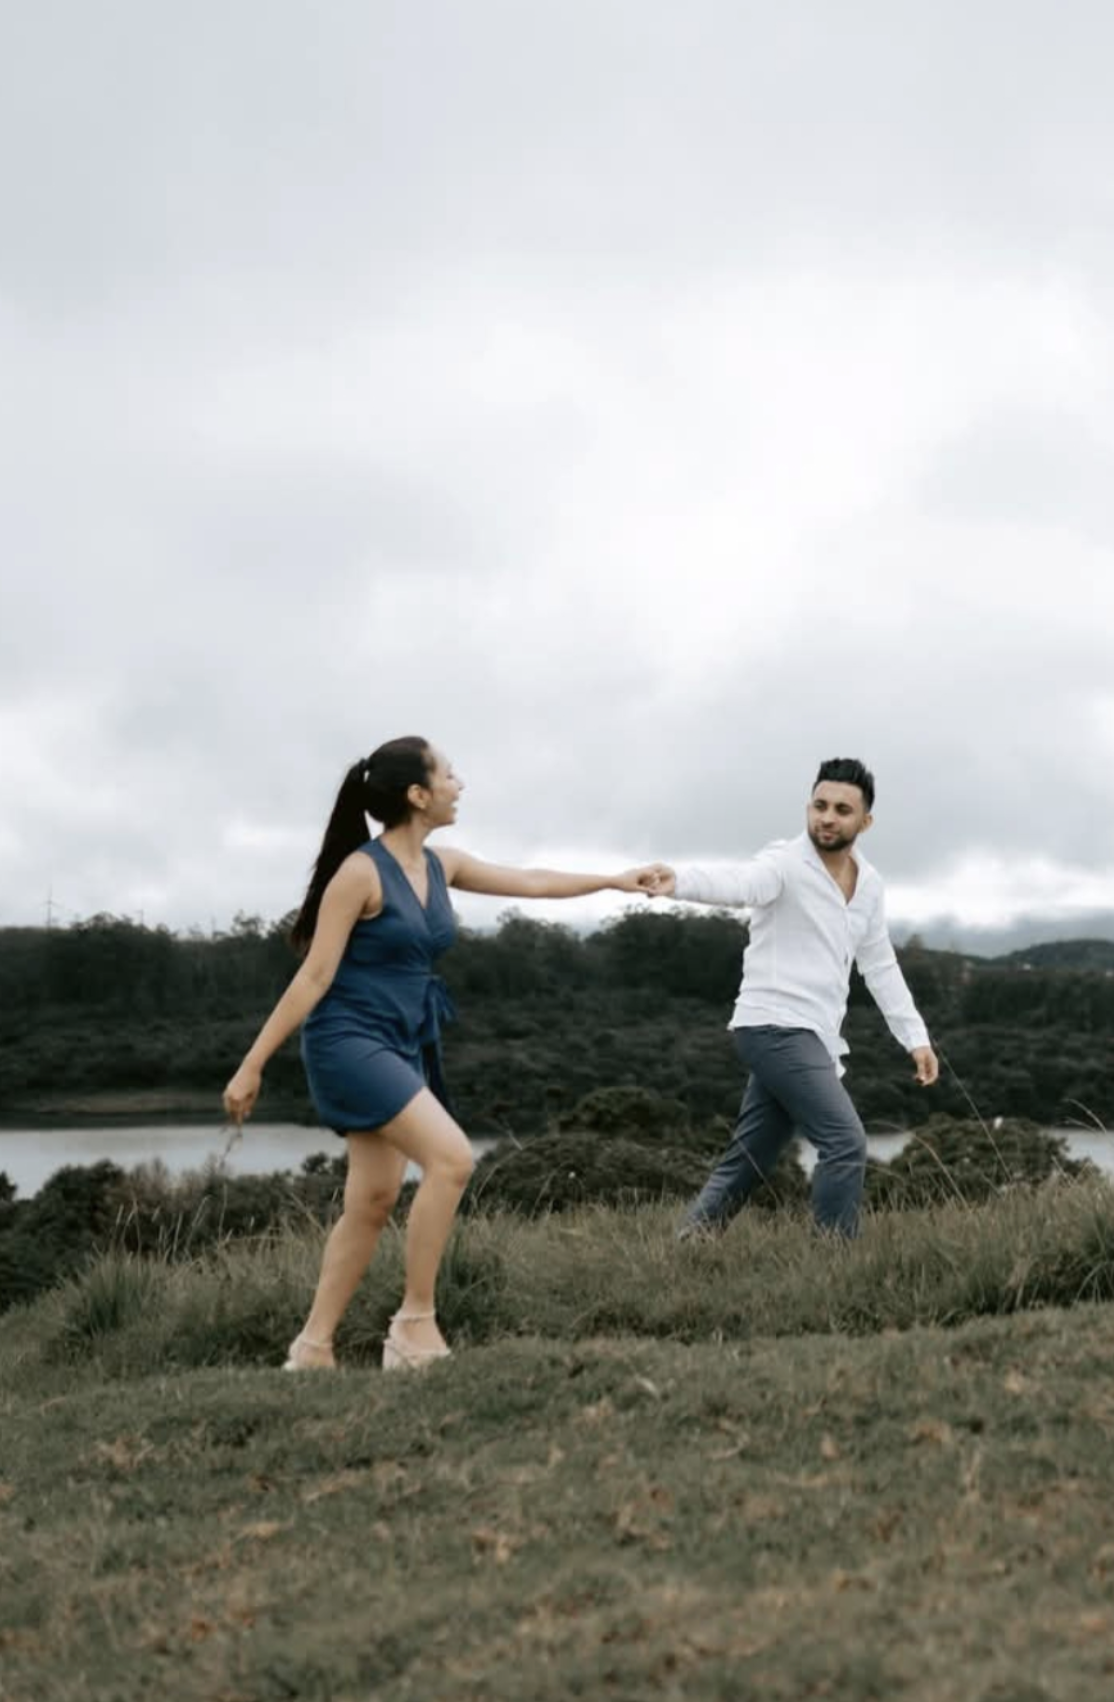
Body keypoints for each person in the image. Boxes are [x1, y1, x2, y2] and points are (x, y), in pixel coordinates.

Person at [223, 735, 651, 1371]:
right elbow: (313, 977)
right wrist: (251, 1064)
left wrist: (613, 879)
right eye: (449, 774)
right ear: (418, 794)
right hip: (348, 1042)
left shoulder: (441, 865)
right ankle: (413, 1324)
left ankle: (312, 1348)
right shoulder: (360, 874)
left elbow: (529, 881)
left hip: (403, 1042)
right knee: (451, 1159)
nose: (460, 784)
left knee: (371, 1201)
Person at [641, 758, 938, 1238]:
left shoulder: (870, 884)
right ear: (808, 808)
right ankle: (835, 1266)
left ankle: (687, 1246)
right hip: (772, 1025)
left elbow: (879, 964)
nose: (827, 817)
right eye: (820, 806)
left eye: (842, 809)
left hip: (814, 1036)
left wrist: (915, 1038)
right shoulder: (784, 863)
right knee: (844, 1141)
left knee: (752, 1155)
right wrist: (678, 882)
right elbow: (739, 885)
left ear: (865, 822)